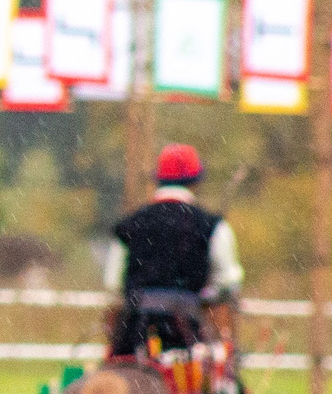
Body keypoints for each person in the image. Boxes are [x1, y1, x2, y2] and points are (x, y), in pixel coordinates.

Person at [104, 142, 243, 358]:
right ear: (195, 182)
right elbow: (228, 282)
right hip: (187, 335)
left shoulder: (129, 225)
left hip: (133, 337)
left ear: (158, 179)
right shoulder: (212, 226)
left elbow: (113, 285)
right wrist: (206, 295)